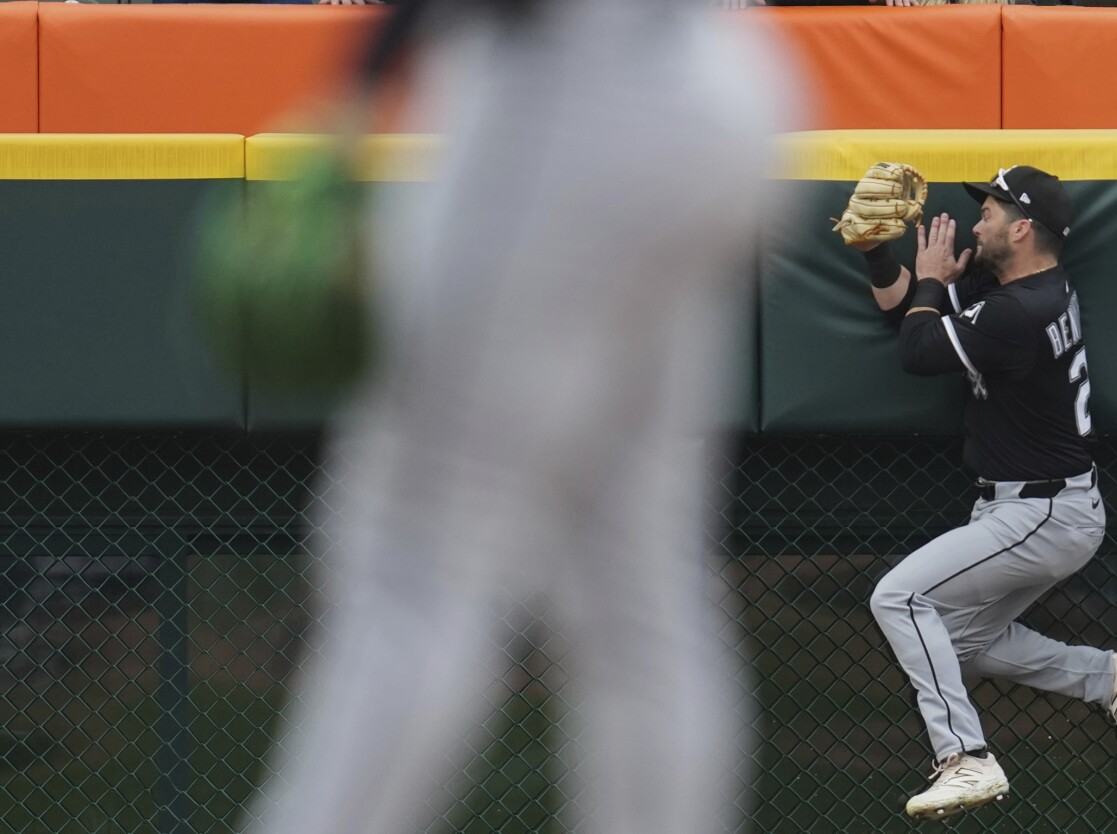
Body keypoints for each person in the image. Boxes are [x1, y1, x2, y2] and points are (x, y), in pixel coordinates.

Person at [232, 2, 793, 834]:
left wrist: (354, 89)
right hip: (730, 92)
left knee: (410, 570)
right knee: (636, 590)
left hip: (566, 96)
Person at [849, 165, 1117, 822]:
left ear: (1022, 229)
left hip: (1041, 510)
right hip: (1042, 506)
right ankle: (1105, 677)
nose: (976, 220)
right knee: (959, 644)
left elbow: (918, 346)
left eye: (990, 210)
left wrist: (935, 279)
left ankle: (964, 757)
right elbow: (908, 311)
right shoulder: (1025, 291)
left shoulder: (1017, 312)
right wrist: (878, 255)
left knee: (899, 597)